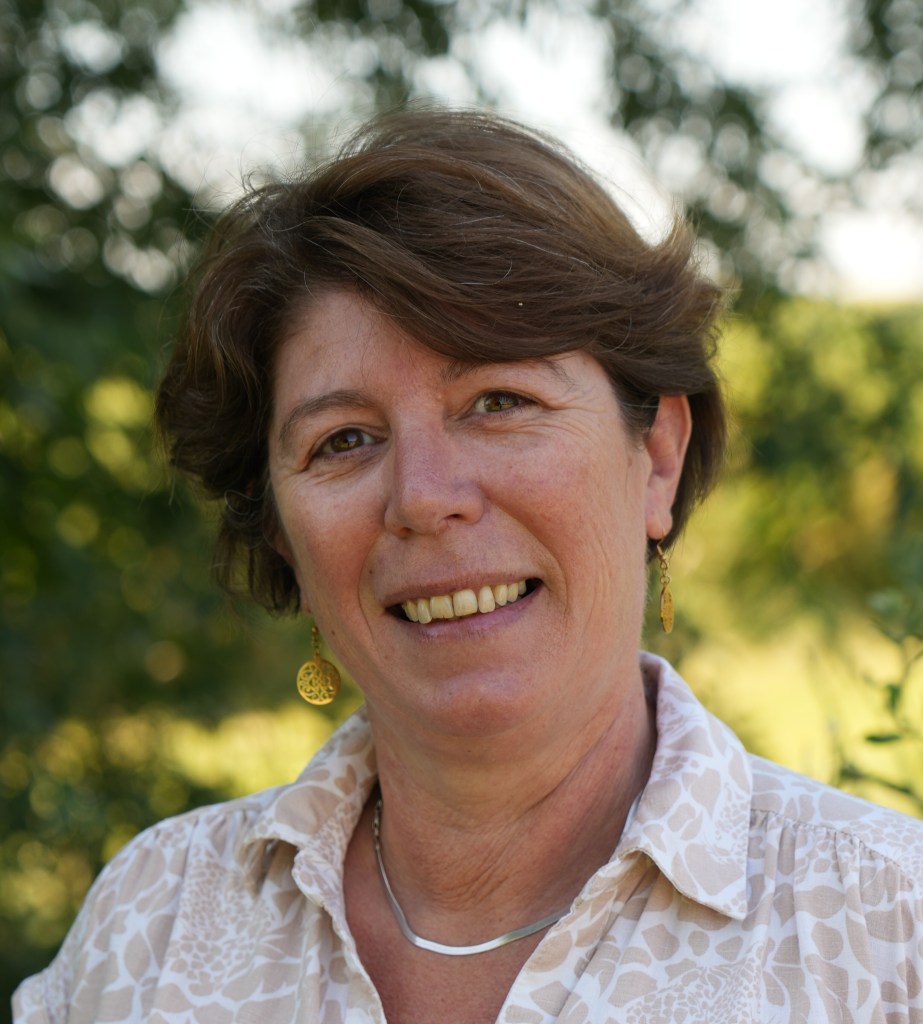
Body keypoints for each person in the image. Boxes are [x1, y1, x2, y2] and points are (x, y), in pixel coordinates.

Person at [14, 108, 923, 1024]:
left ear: (655, 458)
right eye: (343, 440)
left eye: (498, 400)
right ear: (281, 532)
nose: (423, 497)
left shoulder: (888, 934)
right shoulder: (149, 925)